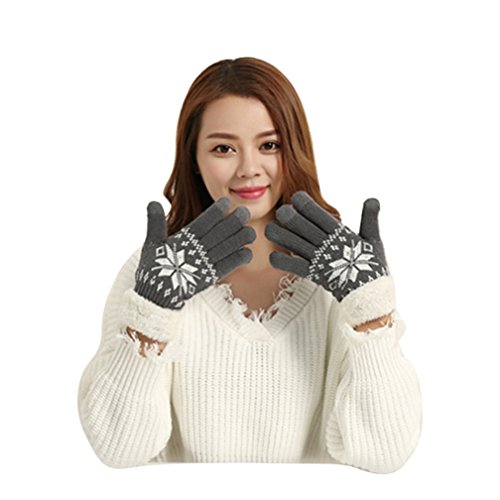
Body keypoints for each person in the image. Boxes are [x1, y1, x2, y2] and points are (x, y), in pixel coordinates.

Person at [77, 57, 422, 473]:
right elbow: (118, 448)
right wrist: (153, 313)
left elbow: (385, 452)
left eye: (269, 145)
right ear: (193, 158)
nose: (248, 169)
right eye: (223, 148)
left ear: (294, 149)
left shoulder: (345, 272)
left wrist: (369, 308)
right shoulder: (154, 273)